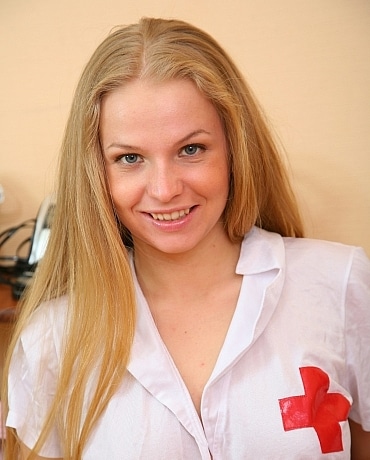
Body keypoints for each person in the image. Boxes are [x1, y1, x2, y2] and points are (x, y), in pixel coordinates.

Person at [1, 17, 369, 460]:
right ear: (97, 173)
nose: (164, 189)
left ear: (236, 149)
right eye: (130, 157)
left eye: (191, 149)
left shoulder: (339, 284)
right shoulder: (51, 341)